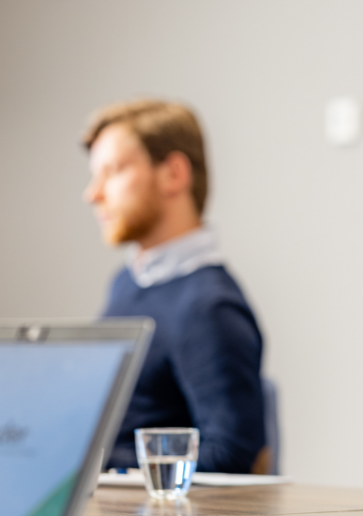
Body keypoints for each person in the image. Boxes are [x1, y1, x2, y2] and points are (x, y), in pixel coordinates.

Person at [82, 99, 266, 474]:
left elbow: (232, 454)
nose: (93, 193)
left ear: (173, 174)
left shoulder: (208, 307)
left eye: (112, 172)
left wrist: (102, 471)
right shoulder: (125, 284)